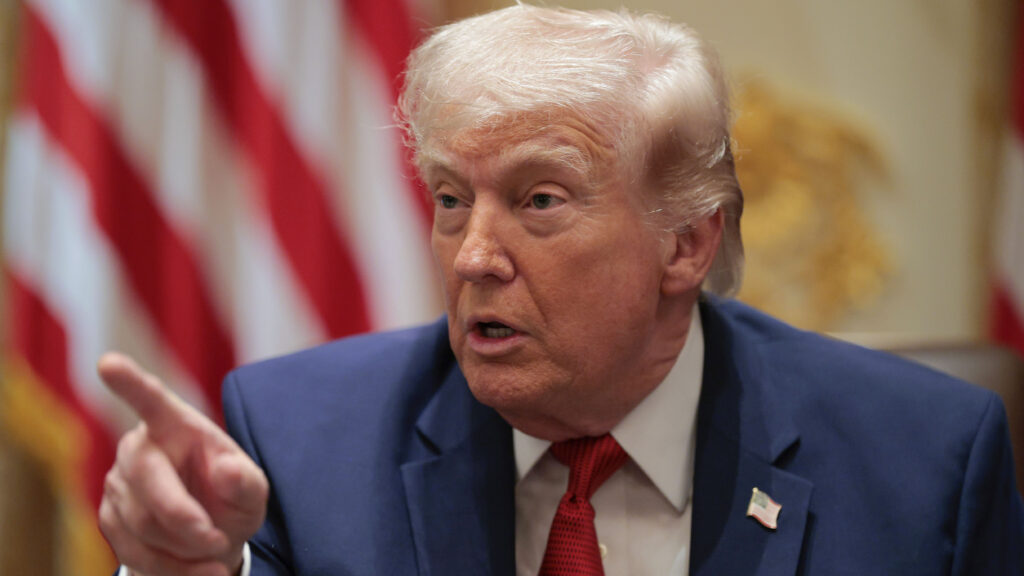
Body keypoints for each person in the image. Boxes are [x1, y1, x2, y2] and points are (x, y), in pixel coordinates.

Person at [98, 5, 1024, 576]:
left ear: (686, 244)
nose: (472, 257)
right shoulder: (297, 440)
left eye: (539, 200)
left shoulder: (926, 462)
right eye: (452, 199)